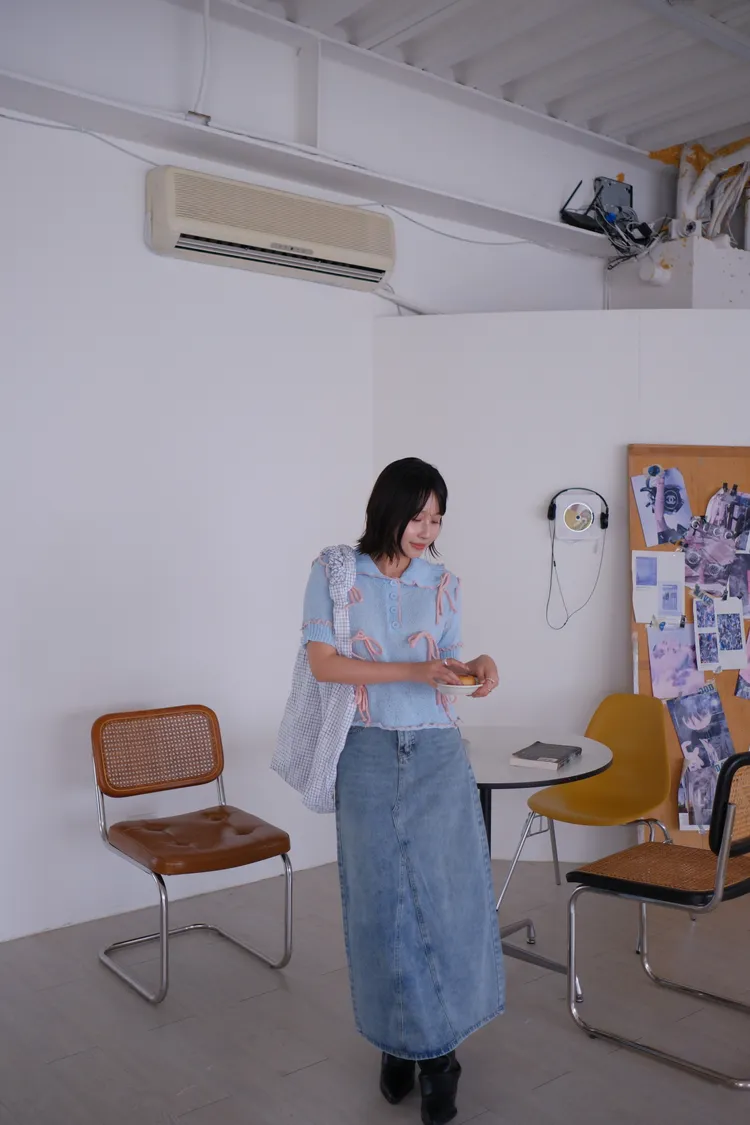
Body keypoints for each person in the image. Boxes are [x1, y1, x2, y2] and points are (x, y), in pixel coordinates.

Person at [299, 457, 504, 1125]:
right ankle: (397, 1041)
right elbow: (324, 663)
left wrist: (477, 665)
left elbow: (445, 661)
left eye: (437, 519)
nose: (427, 530)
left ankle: (440, 1056)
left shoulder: (443, 583)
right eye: (418, 516)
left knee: (447, 904)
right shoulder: (335, 572)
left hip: (437, 751)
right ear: (386, 509)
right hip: (366, 751)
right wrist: (414, 670)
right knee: (380, 907)